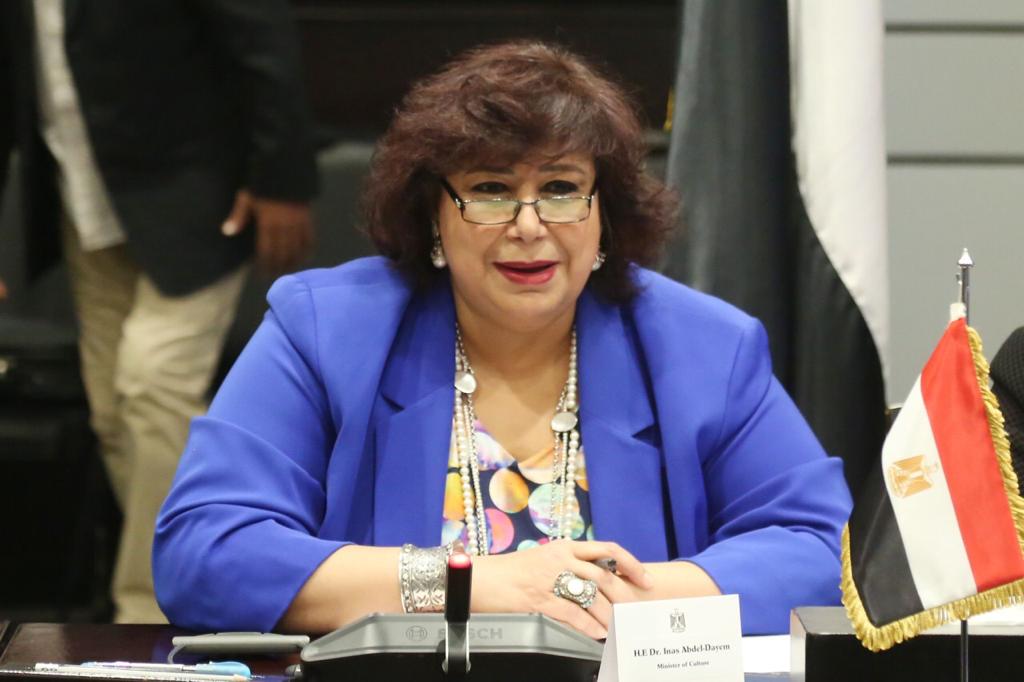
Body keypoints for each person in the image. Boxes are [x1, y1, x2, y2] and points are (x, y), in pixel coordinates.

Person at [154, 40, 851, 637]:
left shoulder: (705, 347)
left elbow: (827, 551)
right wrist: (470, 586)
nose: (529, 225)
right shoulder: (327, 331)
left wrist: (621, 598)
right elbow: (203, 550)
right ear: (433, 214)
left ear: (605, 214)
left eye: (562, 187)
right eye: (490, 189)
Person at [1, 1, 318, 622]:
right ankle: (195, 579)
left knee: (153, 384)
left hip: (199, 195)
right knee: (112, 411)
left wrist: (283, 180)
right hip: (83, 194)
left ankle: (151, 610)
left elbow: (261, 37)